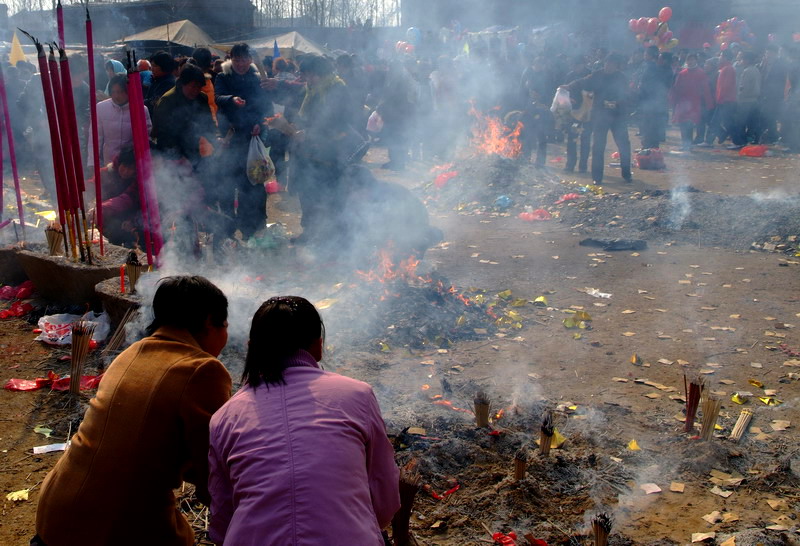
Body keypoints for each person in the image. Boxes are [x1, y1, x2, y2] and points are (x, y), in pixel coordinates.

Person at [34, 276, 232, 546]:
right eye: (226, 325)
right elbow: (211, 470)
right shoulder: (201, 369)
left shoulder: (132, 353)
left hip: (55, 515)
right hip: (110, 527)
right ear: (210, 321)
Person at [208, 296, 400, 545]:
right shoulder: (357, 394)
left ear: (251, 347)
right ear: (318, 346)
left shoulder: (225, 417)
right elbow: (384, 495)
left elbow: (222, 517)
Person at [214, 43, 279, 239]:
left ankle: (254, 224)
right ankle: (227, 228)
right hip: (230, 138)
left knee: (254, 183)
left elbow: (266, 107)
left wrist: (260, 124)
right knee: (228, 184)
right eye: (237, 59)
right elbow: (218, 97)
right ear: (230, 59)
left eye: (244, 59)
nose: (240, 63)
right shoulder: (223, 76)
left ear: (251, 60)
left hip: (252, 137)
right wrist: (232, 99)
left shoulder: (257, 77)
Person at [563, 53, 632, 184]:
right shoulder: (597, 75)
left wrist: (617, 103)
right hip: (601, 115)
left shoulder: (622, 78)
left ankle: (627, 174)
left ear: (616, 66)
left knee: (623, 145)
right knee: (598, 146)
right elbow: (583, 82)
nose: (608, 66)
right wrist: (569, 86)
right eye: (606, 63)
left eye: (611, 64)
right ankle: (597, 177)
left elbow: (627, 96)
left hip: (618, 116)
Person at [94, 73, 152, 167]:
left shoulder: (141, 109)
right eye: (113, 92)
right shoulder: (101, 107)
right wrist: (92, 162)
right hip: (109, 162)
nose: (116, 96)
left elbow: (146, 137)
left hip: (131, 163)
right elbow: (96, 137)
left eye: (121, 92)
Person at [669, 53, 713, 150]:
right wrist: (673, 101)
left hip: (694, 102)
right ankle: (686, 144)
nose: (690, 62)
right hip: (682, 102)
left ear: (696, 60)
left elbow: (706, 89)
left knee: (689, 123)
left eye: (692, 60)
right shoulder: (682, 73)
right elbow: (676, 88)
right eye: (689, 60)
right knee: (682, 124)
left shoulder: (701, 73)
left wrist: (709, 103)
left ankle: (688, 145)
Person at [638, 46, 670, 150]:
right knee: (652, 124)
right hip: (653, 100)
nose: (644, 55)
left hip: (650, 100)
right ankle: (651, 146)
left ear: (650, 55)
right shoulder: (652, 66)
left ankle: (648, 146)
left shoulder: (651, 67)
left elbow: (648, 84)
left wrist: (641, 88)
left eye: (646, 53)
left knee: (649, 124)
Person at [758, 44, 788, 143]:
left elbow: (783, 80)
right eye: (766, 53)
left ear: (774, 53)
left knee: (772, 115)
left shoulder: (781, 64)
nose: (767, 55)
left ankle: (774, 136)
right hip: (764, 94)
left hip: (775, 94)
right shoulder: (764, 64)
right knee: (766, 115)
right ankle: (770, 135)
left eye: (769, 52)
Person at [731, 50, 761, 148]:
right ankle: (746, 141)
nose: (741, 61)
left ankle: (739, 142)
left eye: (742, 59)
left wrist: (738, 96)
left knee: (740, 123)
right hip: (754, 100)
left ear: (747, 60)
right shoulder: (756, 69)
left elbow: (743, 88)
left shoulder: (747, 71)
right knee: (750, 122)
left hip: (745, 101)